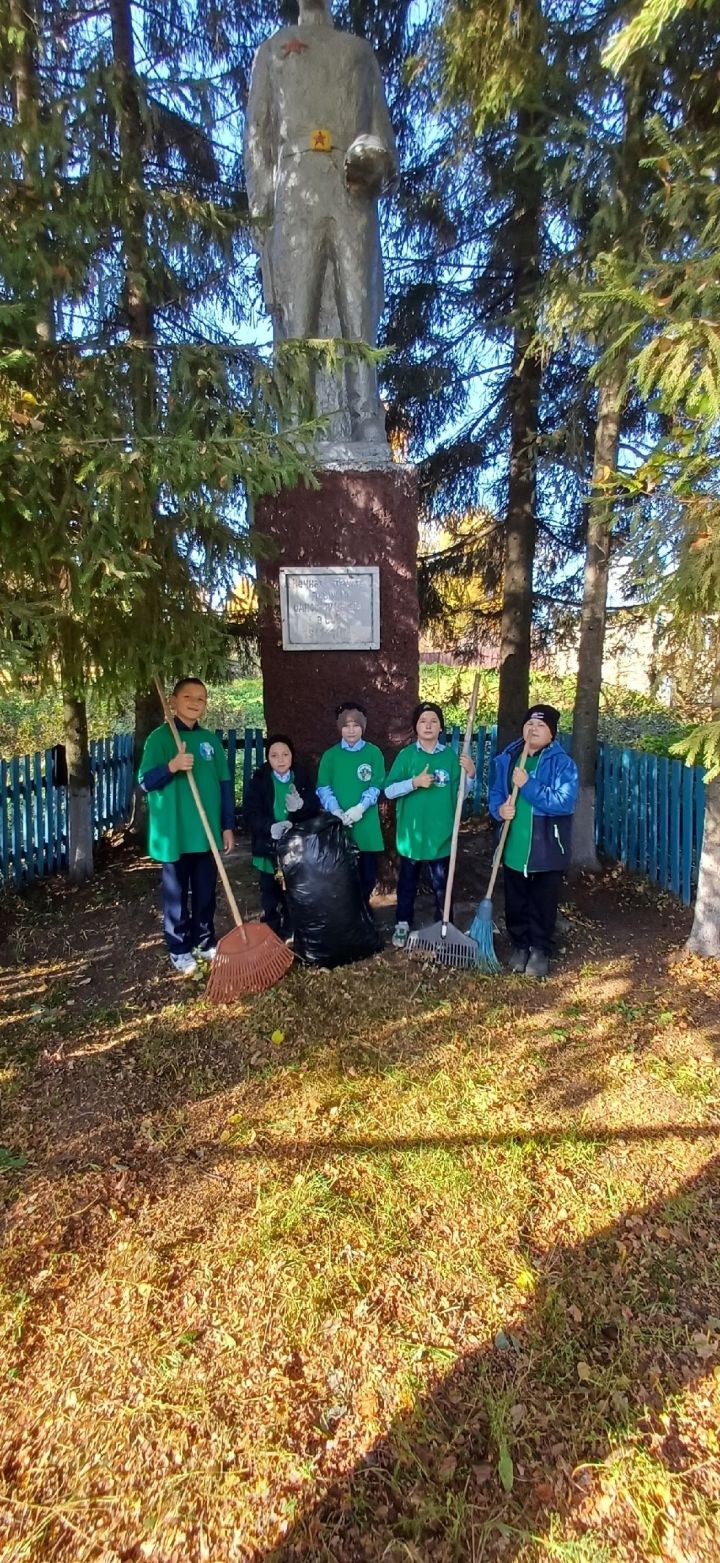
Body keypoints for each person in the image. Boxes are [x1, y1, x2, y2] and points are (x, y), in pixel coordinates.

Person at [139, 678, 235, 976]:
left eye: (201, 698)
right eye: (188, 696)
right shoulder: (160, 739)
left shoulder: (210, 740)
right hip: (175, 832)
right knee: (176, 894)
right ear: (173, 700)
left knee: (205, 891)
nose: (195, 702)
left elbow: (225, 784)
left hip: (205, 831)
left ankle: (205, 941)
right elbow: (145, 782)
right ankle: (179, 948)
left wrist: (227, 826)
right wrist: (172, 766)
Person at [488, 703, 578, 979]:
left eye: (541, 726)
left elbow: (564, 803)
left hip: (547, 848)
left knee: (542, 902)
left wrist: (528, 784)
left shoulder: (562, 763)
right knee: (516, 901)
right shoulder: (509, 758)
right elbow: (495, 792)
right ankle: (520, 944)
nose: (533, 729)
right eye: (530, 724)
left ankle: (540, 949)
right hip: (513, 844)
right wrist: (499, 810)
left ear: (552, 733)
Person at [384, 701, 475, 949]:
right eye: (423, 721)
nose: (428, 725)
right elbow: (389, 791)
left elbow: (461, 796)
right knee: (407, 884)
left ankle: (444, 924)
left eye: (434, 721)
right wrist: (414, 782)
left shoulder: (449, 757)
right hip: (411, 837)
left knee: (442, 886)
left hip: (441, 835)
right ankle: (402, 923)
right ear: (415, 726)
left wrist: (470, 775)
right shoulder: (406, 756)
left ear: (440, 727)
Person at [244, 735, 319, 937]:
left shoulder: (301, 778)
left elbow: (313, 809)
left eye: (285, 754)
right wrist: (271, 827)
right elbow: (251, 814)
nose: (281, 759)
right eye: (275, 755)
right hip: (268, 848)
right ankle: (270, 931)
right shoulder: (259, 780)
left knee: (293, 893)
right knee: (269, 893)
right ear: (268, 757)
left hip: (296, 850)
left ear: (292, 756)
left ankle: (292, 931)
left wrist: (301, 807)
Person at [317, 701, 385, 905]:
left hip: (366, 824)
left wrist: (360, 808)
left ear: (363, 726)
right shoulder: (330, 756)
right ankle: (347, 917)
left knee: (368, 875)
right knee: (342, 876)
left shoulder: (374, 753)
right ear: (340, 728)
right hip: (339, 826)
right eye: (346, 725)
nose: (351, 730)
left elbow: (376, 785)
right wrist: (335, 810)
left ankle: (364, 911)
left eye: (356, 725)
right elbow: (323, 786)